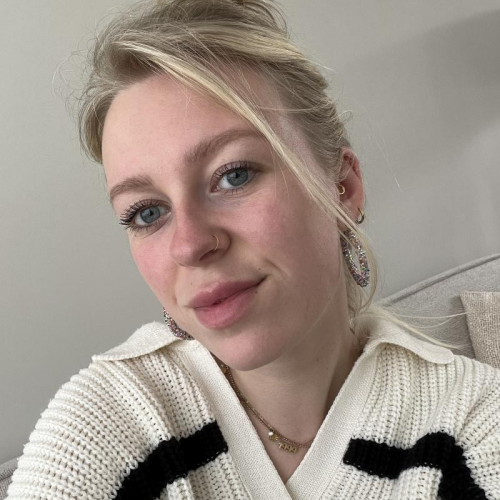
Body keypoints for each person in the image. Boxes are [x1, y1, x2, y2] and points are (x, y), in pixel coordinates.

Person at [6, 0, 500, 499]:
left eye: (234, 175)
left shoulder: (472, 420)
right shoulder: (105, 423)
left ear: (343, 188)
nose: (190, 245)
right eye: (147, 213)